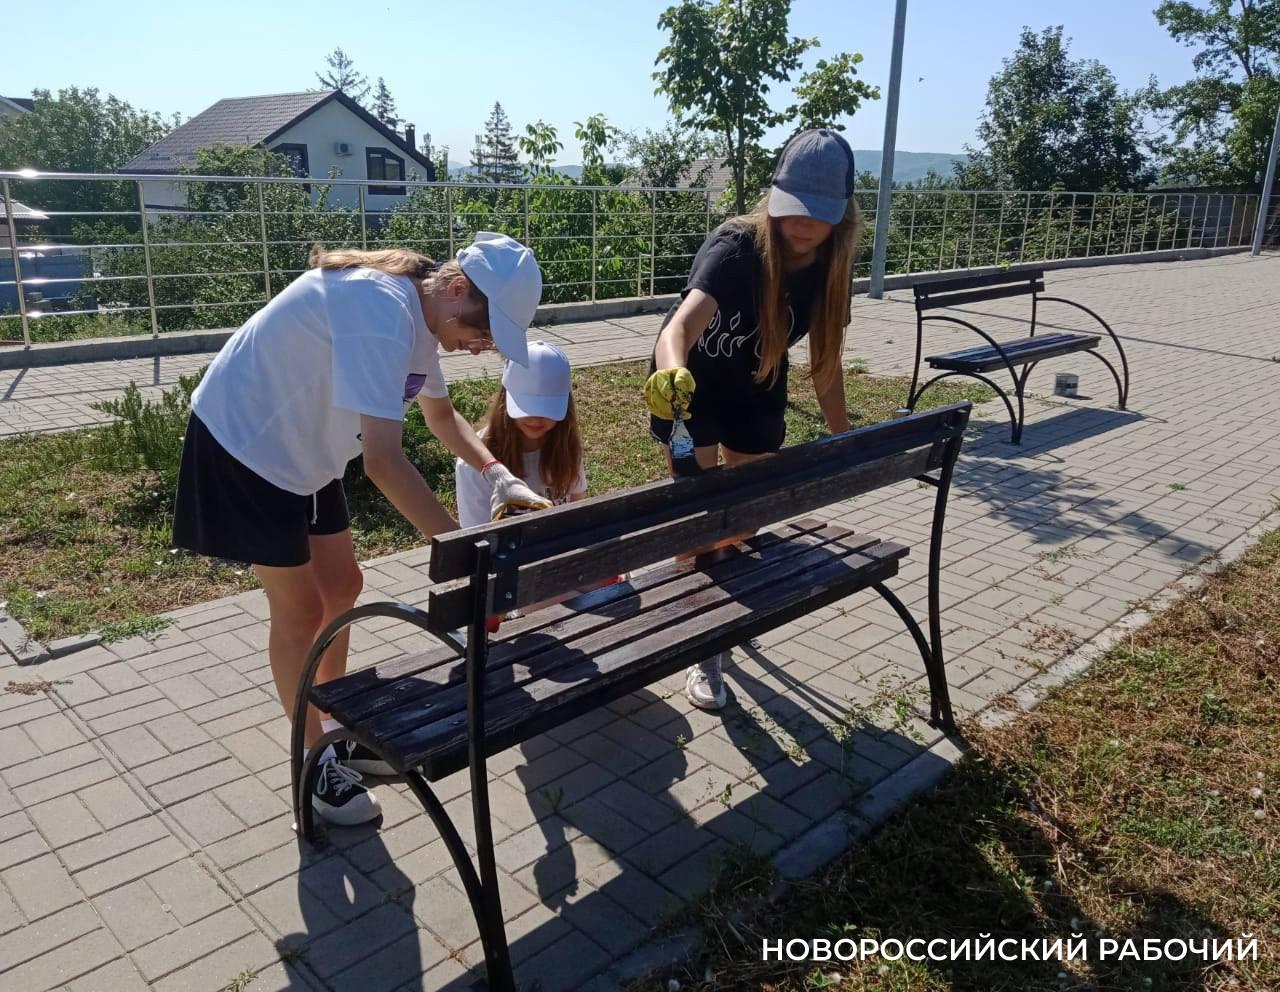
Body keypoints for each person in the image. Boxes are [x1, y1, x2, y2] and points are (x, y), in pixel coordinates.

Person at [172, 232, 551, 826]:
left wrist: (500, 475)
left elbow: (441, 417)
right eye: (484, 333)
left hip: (306, 453)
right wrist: (463, 546)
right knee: (299, 612)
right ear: (456, 292)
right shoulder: (382, 308)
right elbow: (382, 462)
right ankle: (309, 754)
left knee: (343, 585)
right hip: (244, 446)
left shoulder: (421, 314)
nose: (481, 349)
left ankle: (339, 728)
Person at [644, 129, 865, 711]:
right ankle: (703, 651)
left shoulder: (830, 265)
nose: (802, 224)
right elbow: (680, 329)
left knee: (744, 519)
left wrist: (843, 437)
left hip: (757, 387)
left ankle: (724, 612)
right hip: (690, 389)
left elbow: (826, 364)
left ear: (842, 214)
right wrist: (670, 377)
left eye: (817, 214)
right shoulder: (736, 247)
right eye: (792, 208)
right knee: (701, 520)